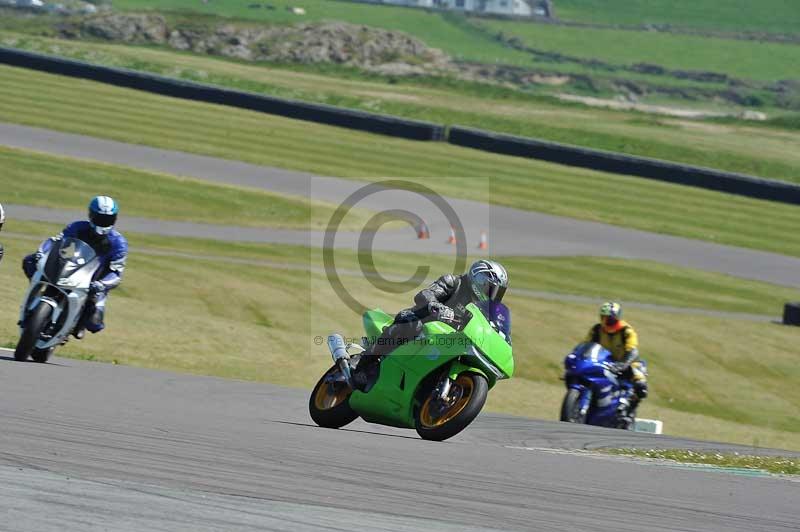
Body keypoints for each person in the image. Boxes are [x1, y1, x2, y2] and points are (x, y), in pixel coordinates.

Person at [353, 259, 509, 387]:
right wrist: (435, 305)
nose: (493, 296)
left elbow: (490, 327)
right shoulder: (454, 282)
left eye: (498, 292)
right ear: (479, 280)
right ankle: (363, 362)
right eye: (491, 289)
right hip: (423, 319)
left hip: (448, 338)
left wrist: (502, 337)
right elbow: (425, 294)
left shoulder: (484, 310)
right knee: (411, 325)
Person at [22, 196, 128, 339]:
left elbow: (116, 273)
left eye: (107, 219)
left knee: (94, 322)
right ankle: (36, 292)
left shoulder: (119, 243)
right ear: (91, 215)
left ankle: (78, 324)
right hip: (69, 268)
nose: (103, 222)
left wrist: (101, 285)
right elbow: (57, 241)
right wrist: (41, 253)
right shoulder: (77, 227)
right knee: (29, 261)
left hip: (95, 280)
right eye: (100, 218)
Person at [584, 301, 648, 422]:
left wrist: (623, 364)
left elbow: (633, 351)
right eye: (603, 317)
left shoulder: (626, 331)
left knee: (641, 385)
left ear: (617, 318)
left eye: (610, 318)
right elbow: (586, 345)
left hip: (627, 363)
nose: (606, 321)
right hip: (604, 362)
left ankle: (630, 411)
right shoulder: (596, 330)